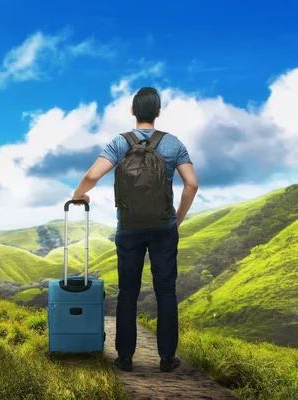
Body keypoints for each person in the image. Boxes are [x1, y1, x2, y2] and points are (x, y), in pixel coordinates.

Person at [70, 87, 198, 373]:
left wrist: (79, 196)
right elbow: (192, 184)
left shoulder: (119, 142)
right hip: (164, 227)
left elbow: (92, 175)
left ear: (132, 111)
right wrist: (178, 218)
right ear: (158, 112)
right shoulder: (173, 144)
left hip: (128, 228)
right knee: (166, 291)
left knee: (128, 292)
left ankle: (125, 357)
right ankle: (167, 358)